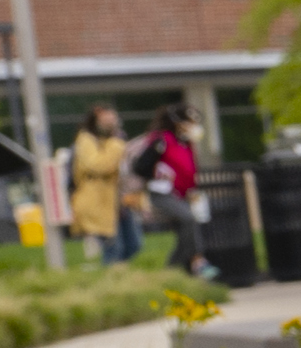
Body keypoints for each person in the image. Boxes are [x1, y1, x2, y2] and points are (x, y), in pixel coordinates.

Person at [138, 103, 210, 276]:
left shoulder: (186, 143)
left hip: (183, 194)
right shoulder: (161, 140)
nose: (193, 126)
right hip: (162, 193)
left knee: (188, 230)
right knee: (187, 218)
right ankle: (197, 261)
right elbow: (140, 166)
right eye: (189, 122)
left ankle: (173, 270)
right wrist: (157, 173)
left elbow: (189, 168)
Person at [65, 105, 130, 266]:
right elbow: (98, 165)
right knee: (113, 246)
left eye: (113, 119)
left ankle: (115, 274)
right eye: (107, 120)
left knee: (132, 243)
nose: (111, 124)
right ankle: (108, 276)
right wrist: (116, 146)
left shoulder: (110, 141)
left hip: (115, 199)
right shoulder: (87, 140)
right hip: (94, 199)